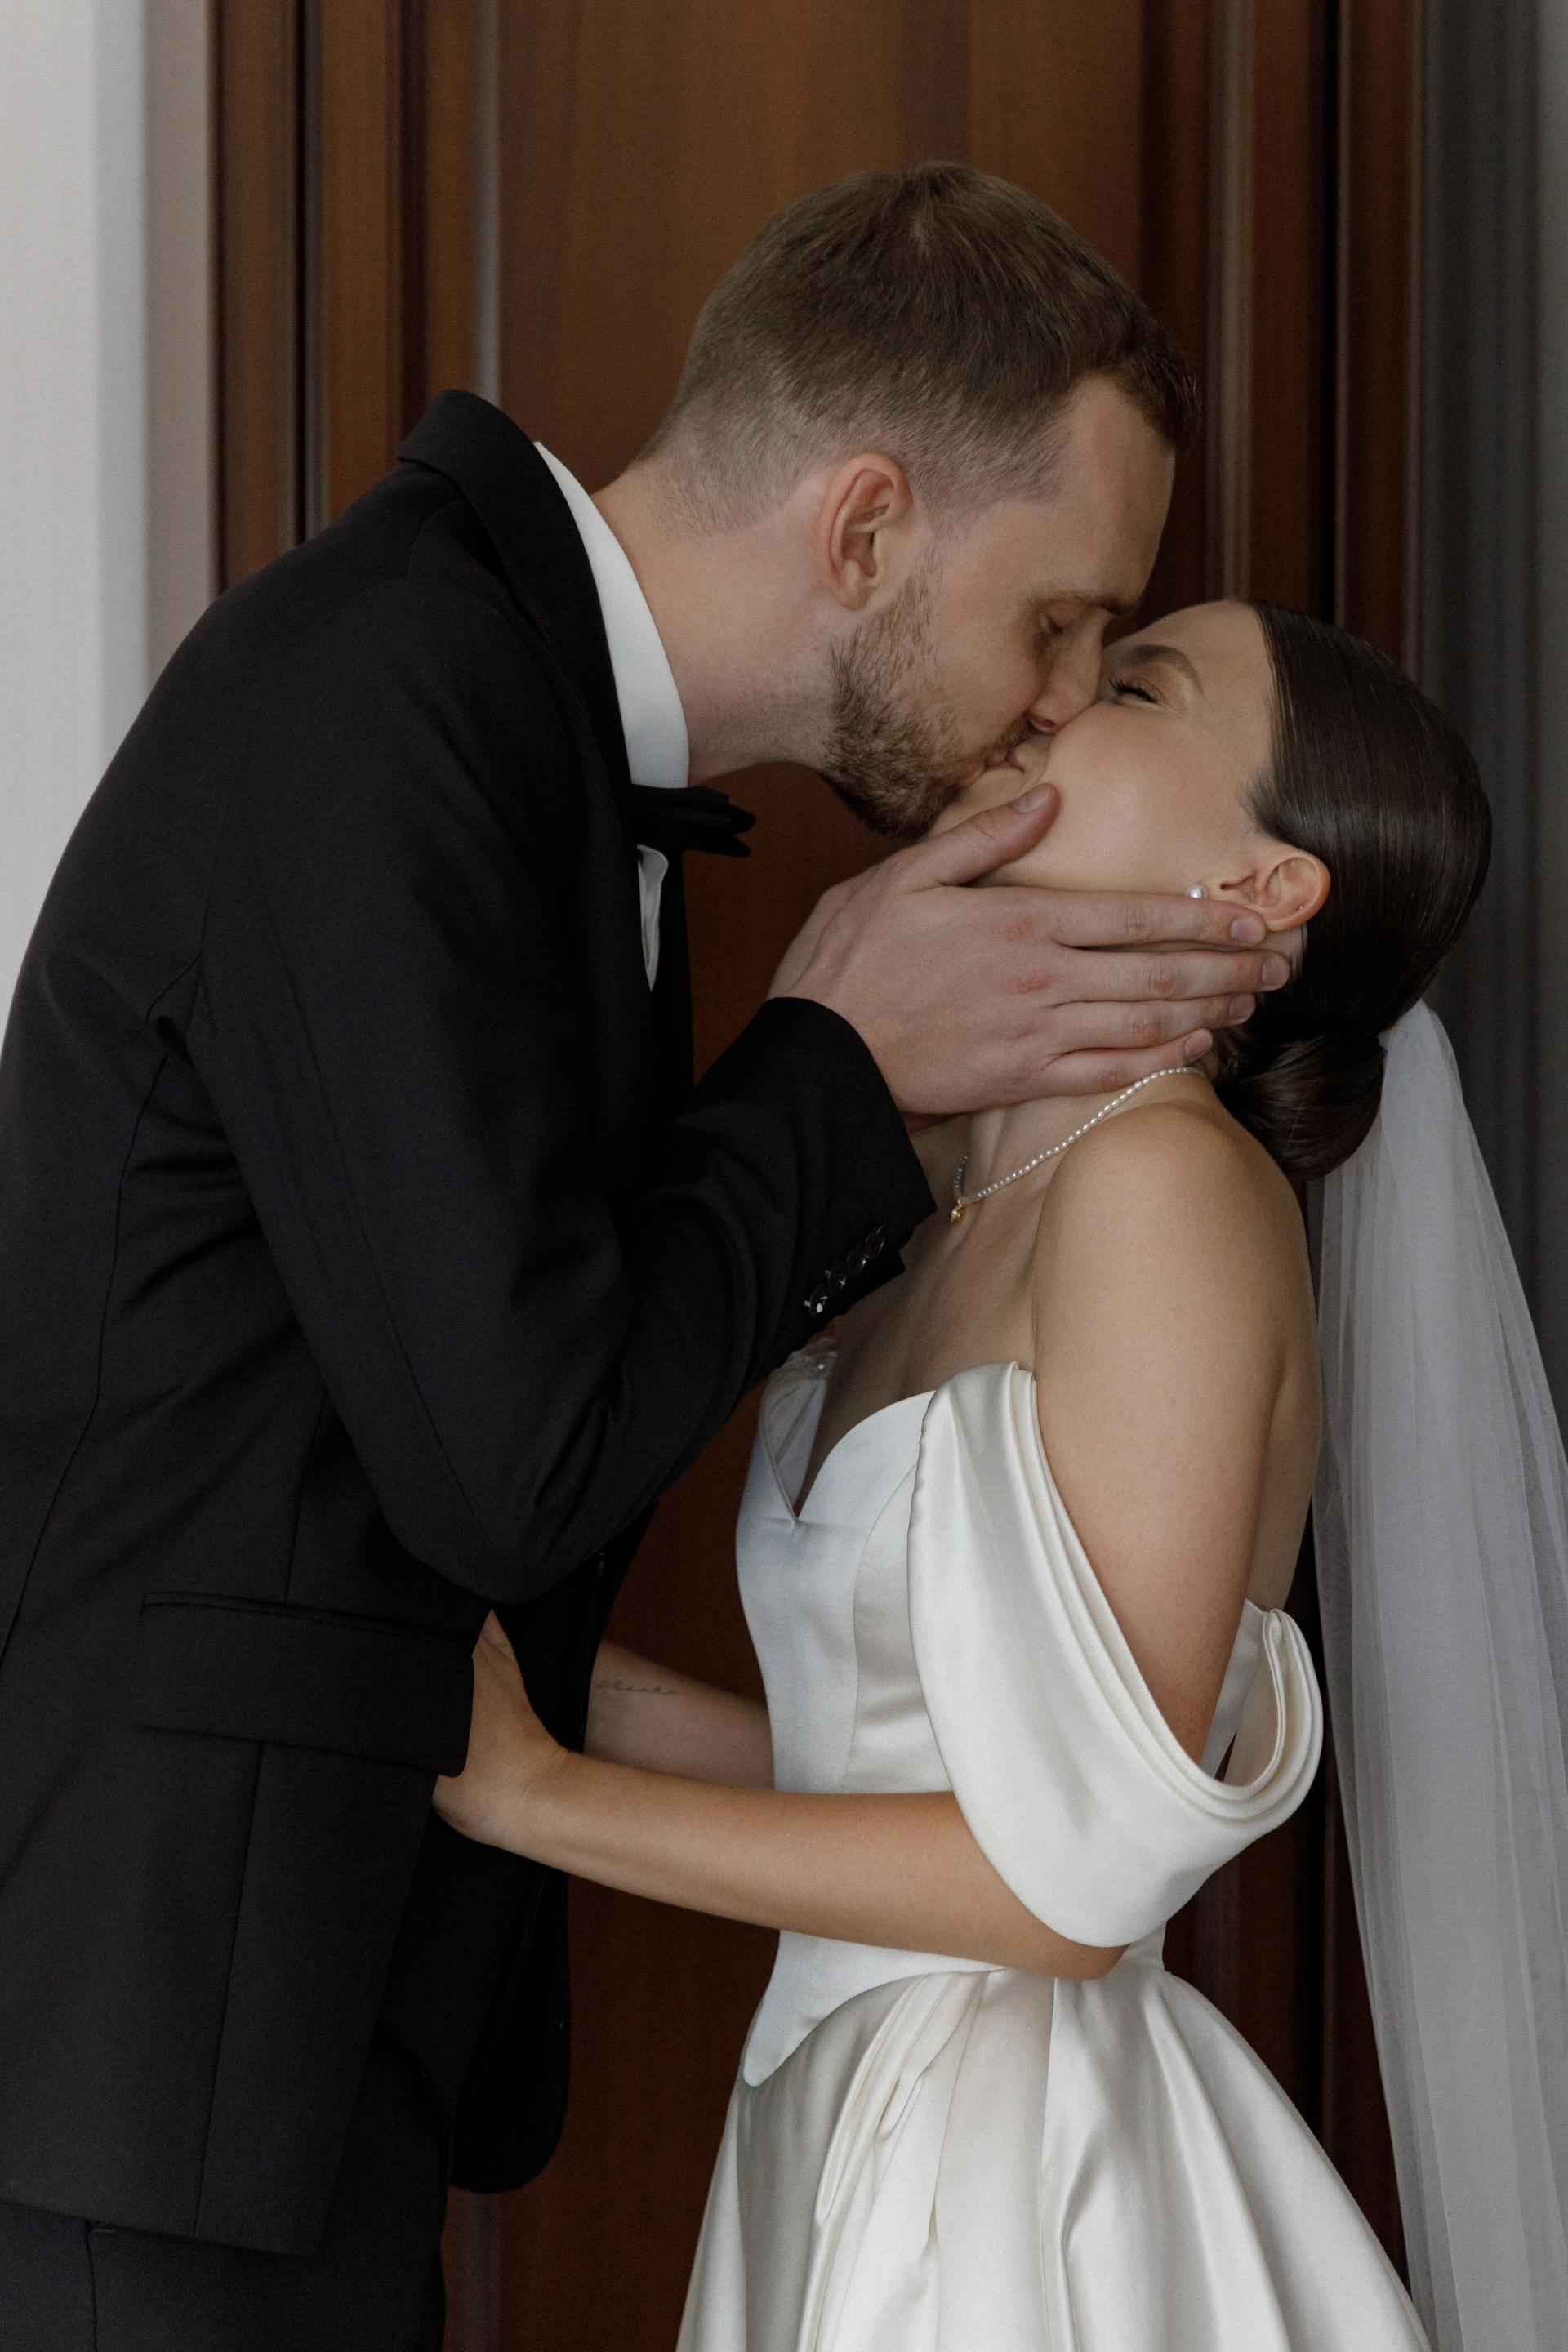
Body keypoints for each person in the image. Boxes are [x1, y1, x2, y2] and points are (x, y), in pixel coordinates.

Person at [0, 167, 1286, 2350]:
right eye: (1064, 619)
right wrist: (832, 1057)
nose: (1058, 700)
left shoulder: (514, 722)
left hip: (270, 2045)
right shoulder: (392, 691)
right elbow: (516, 1461)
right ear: (865, 529)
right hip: (152, 2042)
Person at [434, 596, 1500, 2349]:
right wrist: (548, 1689)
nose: (1053, 700)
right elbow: (892, 1754)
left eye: (1138, 684)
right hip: (835, 2110)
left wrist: (544, 1799)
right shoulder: (943, 1214)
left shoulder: (1167, 1188)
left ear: (1264, 888)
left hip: (1015, 2177)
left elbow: (1071, 1885)